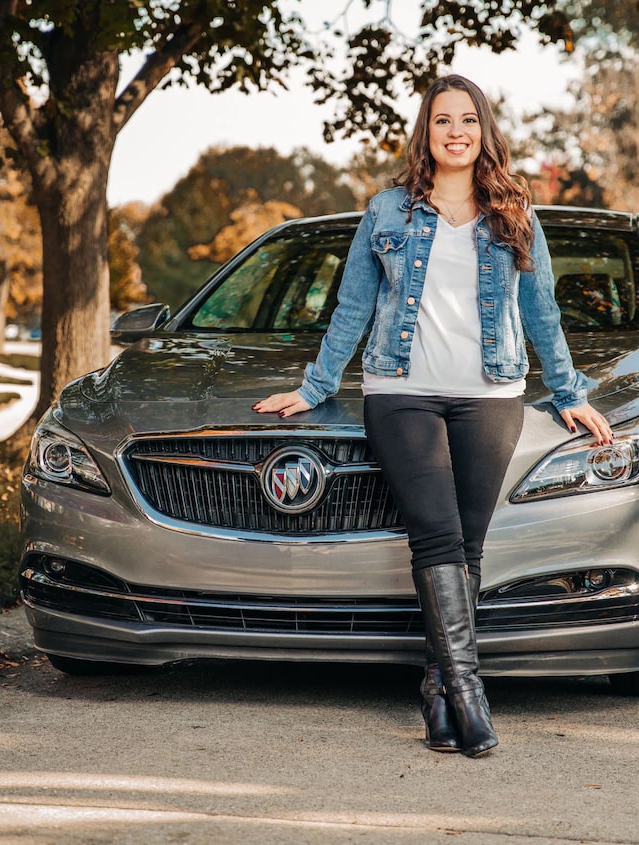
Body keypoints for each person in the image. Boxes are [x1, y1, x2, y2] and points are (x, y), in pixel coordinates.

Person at [253, 74, 613, 758]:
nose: (456, 131)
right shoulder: (387, 211)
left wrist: (569, 392)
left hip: (491, 396)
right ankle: (472, 696)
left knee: (468, 546)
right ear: (427, 132)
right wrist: (316, 383)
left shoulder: (514, 212)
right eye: (443, 120)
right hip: (401, 392)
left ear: (484, 132)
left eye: (468, 120)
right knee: (439, 537)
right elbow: (353, 306)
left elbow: (541, 313)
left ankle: (437, 689)